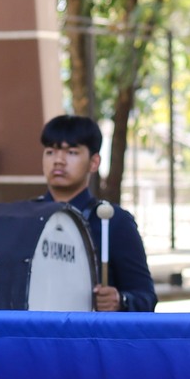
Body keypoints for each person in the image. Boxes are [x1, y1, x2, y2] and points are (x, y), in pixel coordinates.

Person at [36, 115, 156, 312]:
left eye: (72, 152)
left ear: (94, 162)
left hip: (89, 339)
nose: (58, 161)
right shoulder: (27, 216)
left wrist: (120, 301)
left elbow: (146, 298)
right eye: (50, 152)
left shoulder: (114, 222)